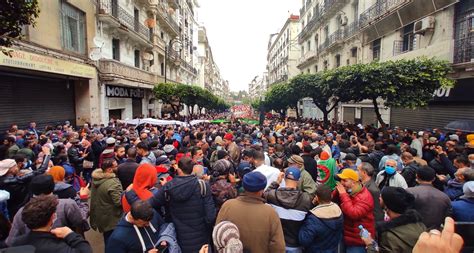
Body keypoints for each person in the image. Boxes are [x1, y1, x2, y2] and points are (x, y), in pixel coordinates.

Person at [127, 157, 215, 253]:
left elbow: (149, 204)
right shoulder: (203, 186)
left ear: (178, 169)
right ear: (193, 169)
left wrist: (130, 194)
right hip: (201, 237)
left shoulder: (168, 187)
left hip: (178, 236)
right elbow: (210, 217)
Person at [6, 174, 89, 246]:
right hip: (66, 246)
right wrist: (83, 199)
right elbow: (80, 221)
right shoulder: (66, 205)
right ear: (53, 186)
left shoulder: (22, 212)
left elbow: (11, 241)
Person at [216, 171, 285, 252]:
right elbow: (278, 246)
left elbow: (217, 234)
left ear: (244, 187)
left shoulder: (227, 205)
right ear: (262, 190)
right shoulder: (270, 212)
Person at [10, 195, 92, 253]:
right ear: (52, 217)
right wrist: (70, 235)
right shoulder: (60, 247)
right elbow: (85, 250)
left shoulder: (15, 243)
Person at [362, 187, 426, 253]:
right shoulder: (420, 225)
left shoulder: (389, 235)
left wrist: (370, 245)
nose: (379, 198)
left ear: (388, 205)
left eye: (381, 197)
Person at [264, 167, 312, 252]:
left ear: (284, 178)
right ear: (299, 180)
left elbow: (264, 195)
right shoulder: (305, 199)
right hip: (295, 245)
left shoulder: (273, 195)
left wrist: (277, 182)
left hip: (277, 243)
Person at [106, 200, 179, 253]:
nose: (148, 225)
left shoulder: (151, 213)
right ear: (133, 218)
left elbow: (163, 226)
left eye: (149, 222)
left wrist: (164, 238)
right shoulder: (117, 238)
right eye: (144, 224)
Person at [0, 147, 50, 219]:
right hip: (19, 208)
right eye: (15, 166)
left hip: (10, 208)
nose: (18, 167)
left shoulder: (4, 179)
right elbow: (41, 170)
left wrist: (34, 164)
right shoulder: (16, 180)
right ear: (10, 169)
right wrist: (47, 155)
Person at [332, 169, 375, 253]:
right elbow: (332, 200)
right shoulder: (348, 191)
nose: (342, 183)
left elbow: (354, 214)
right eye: (341, 180)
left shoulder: (365, 197)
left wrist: (343, 194)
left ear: (354, 182)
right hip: (346, 234)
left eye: (345, 180)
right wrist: (337, 192)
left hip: (357, 240)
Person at [299, 184, 343, 253]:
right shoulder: (339, 212)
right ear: (331, 196)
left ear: (317, 198)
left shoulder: (313, 219)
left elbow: (304, 240)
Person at [90, 158, 123, 246]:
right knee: (113, 243)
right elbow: (118, 202)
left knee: (107, 240)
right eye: (116, 166)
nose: (118, 167)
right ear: (109, 169)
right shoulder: (113, 183)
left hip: (101, 216)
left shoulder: (96, 179)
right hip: (112, 218)